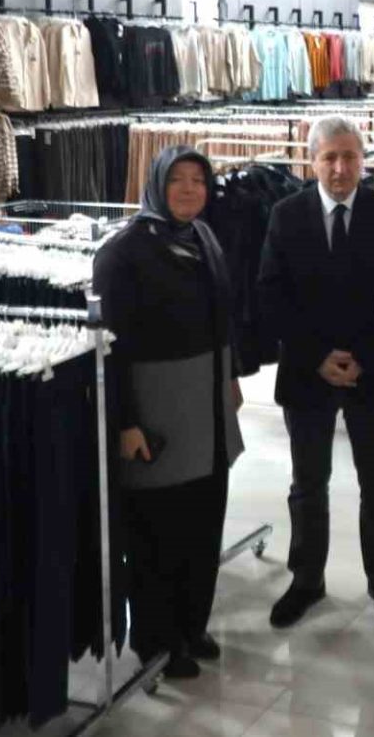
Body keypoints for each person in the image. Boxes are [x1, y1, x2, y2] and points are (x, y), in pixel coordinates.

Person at [93, 145, 244, 680]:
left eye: (198, 181)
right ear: (157, 184)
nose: (188, 190)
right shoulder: (123, 253)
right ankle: (158, 639)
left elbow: (223, 318)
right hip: (157, 409)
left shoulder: (203, 238)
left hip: (207, 406)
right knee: (158, 532)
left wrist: (231, 376)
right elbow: (110, 348)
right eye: (177, 179)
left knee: (203, 522)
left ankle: (192, 624)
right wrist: (126, 421)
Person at [258, 116, 374, 628]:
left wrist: (363, 355)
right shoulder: (286, 215)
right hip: (307, 372)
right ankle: (306, 579)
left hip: (373, 368)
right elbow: (272, 294)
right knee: (307, 482)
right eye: (329, 157)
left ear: (364, 160)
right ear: (312, 161)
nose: (340, 168)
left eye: (349, 157)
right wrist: (317, 357)